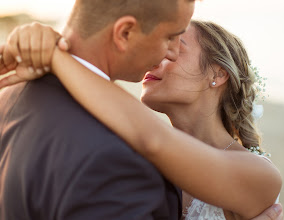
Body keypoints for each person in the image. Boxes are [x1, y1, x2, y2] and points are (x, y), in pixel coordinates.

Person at [0, 19, 283, 220]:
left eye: (178, 47)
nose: (160, 56)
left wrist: (54, 55)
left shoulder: (262, 176)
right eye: (163, 44)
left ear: (217, 75)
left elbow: (153, 138)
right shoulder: (130, 151)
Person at [0, 0, 196, 219]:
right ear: (125, 33)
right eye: (170, 37)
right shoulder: (114, 158)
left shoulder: (9, 94)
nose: (174, 53)